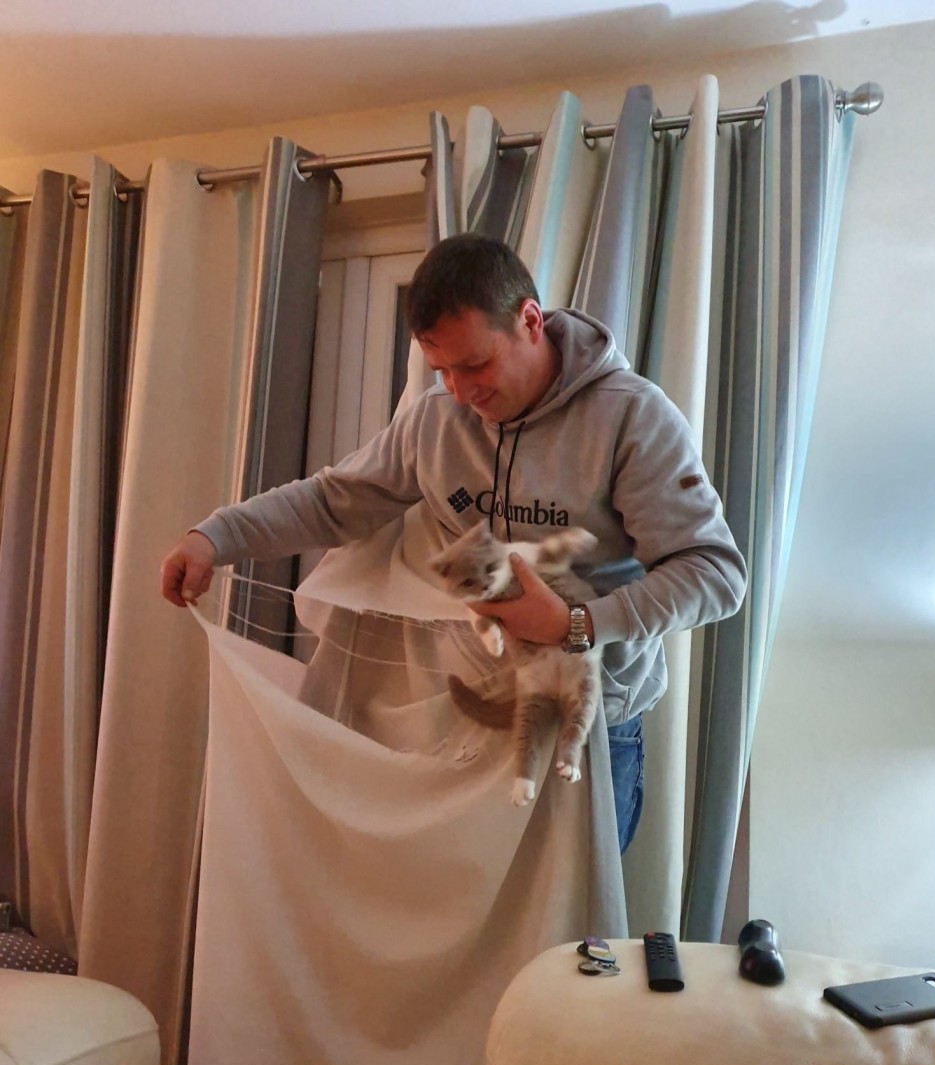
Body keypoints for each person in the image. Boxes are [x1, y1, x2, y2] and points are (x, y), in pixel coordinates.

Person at [160, 233, 747, 853]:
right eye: (440, 369)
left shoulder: (633, 418)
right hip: (461, 722)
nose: (460, 392)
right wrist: (217, 536)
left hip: (588, 728)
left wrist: (573, 624)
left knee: (569, 919)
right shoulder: (436, 417)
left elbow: (714, 573)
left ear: (529, 321)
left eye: (474, 365)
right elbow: (334, 501)